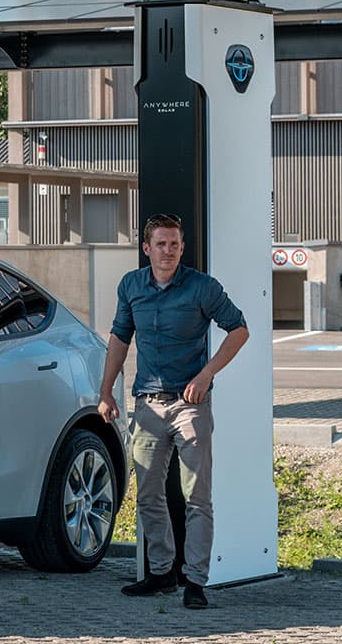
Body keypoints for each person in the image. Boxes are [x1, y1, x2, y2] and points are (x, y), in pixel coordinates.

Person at [97, 214, 249, 610]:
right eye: (161, 244)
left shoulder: (203, 287)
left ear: (182, 247)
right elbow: (119, 338)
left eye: (175, 244)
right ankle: (162, 572)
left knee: (197, 496)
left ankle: (195, 581)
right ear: (146, 248)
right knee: (148, 494)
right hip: (147, 403)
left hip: (190, 405)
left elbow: (239, 329)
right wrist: (106, 392)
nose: (169, 251)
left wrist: (206, 374)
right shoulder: (131, 286)